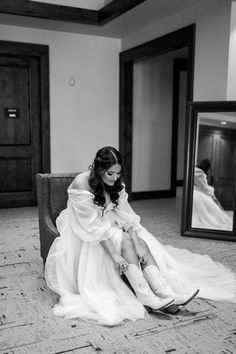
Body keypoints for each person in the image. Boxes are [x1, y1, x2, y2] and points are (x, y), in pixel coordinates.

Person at [45, 147, 236, 326]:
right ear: (98, 168)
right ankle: (144, 294)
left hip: (110, 223)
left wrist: (137, 244)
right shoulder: (81, 183)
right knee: (125, 241)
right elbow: (93, 228)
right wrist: (115, 255)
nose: (114, 178)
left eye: (118, 173)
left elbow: (126, 218)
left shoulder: (116, 185)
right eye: (110, 173)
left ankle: (163, 292)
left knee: (140, 241)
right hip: (85, 229)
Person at [192, 159, 233, 230]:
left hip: (194, 191)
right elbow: (203, 187)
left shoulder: (194, 170)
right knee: (211, 204)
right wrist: (212, 193)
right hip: (197, 193)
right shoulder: (200, 174)